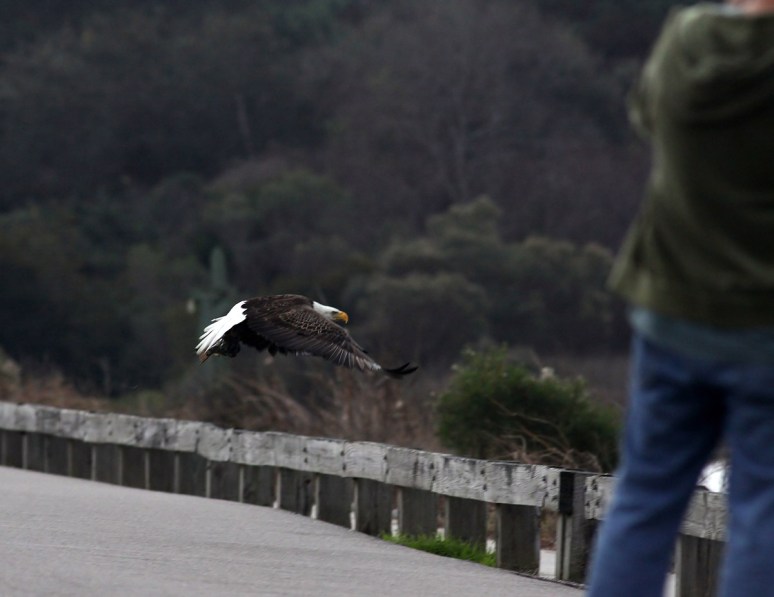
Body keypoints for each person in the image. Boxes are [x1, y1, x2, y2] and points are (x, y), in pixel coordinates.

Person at [586, 1, 774, 596]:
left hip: (672, 310)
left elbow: (646, 114)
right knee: (762, 511)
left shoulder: (689, 39)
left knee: (643, 498)